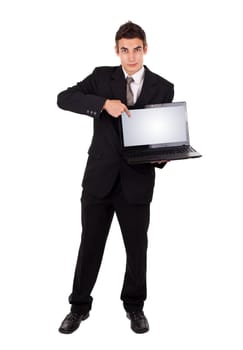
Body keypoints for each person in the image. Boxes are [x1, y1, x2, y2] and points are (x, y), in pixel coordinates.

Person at [57, 21, 174, 334]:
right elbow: (64, 98)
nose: (131, 56)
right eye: (125, 50)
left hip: (137, 182)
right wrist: (101, 104)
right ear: (117, 51)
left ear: (145, 49)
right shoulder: (100, 78)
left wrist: (163, 156)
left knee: (137, 249)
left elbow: (162, 137)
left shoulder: (163, 87)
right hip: (99, 180)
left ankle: (134, 307)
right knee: (90, 245)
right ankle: (78, 307)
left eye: (137, 49)